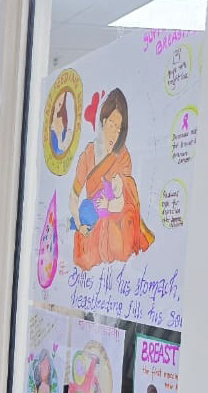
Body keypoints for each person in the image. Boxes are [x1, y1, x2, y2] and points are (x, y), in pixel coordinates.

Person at [69, 88, 155, 270]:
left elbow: (125, 199)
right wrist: (79, 224)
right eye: (111, 125)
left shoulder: (122, 156)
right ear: (104, 121)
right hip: (91, 223)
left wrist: (111, 203)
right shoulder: (88, 154)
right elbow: (74, 196)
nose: (114, 134)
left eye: (119, 128)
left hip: (115, 224)